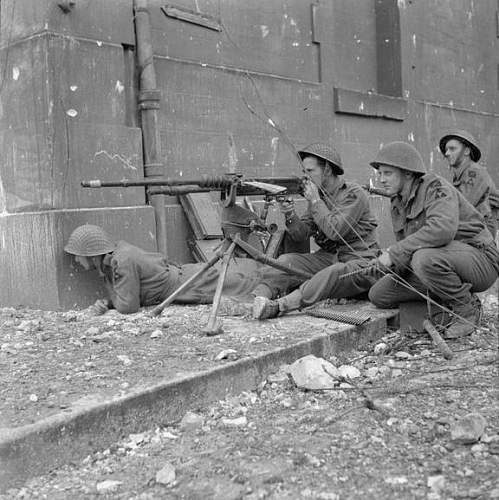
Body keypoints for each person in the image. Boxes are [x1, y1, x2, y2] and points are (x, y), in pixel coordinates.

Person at [368, 141, 499, 338]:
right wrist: (389, 265)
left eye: (388, 173)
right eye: (379, 173)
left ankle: (466, 309)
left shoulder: (435, 187)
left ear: (408, 173)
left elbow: (442, 230)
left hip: (481, 260)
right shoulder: (397, 202)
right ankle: (449, 301)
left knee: (423, 258)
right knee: (380, 294)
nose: (381, 179)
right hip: (443, 262)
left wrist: (393, 253)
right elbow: (408, 247)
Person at [252, 142, 379, 320]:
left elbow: (335, 231)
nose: (306, 178)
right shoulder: (319, 196)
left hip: (359, 261)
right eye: (304, 172)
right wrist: (289, 214)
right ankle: (257, 299)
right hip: (328, 258)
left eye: (310, 172)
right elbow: (300, 234)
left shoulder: (353, 194)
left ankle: (280, 306)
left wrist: (315, 201)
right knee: (286, 261)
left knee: (334, 272)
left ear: (327, 170)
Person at [64, 224, 266, 315]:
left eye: (78, 255)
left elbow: (128, 306)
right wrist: (109, 302)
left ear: (92, 255)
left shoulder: (122, 261)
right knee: (240, 279)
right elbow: (130, 293)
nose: (76, 259)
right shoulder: (116, 257)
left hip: (191, 284)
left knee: (247, 282)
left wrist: (110, 301)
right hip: (187, 278)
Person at [439, 129, 498, 235]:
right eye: (446, 149)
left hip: (481, 230)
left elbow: (463, 205)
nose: (447, 153)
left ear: (466, 151)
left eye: (452, 149)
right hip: (471, 226)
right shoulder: (461, 174)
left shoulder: (473, 172)